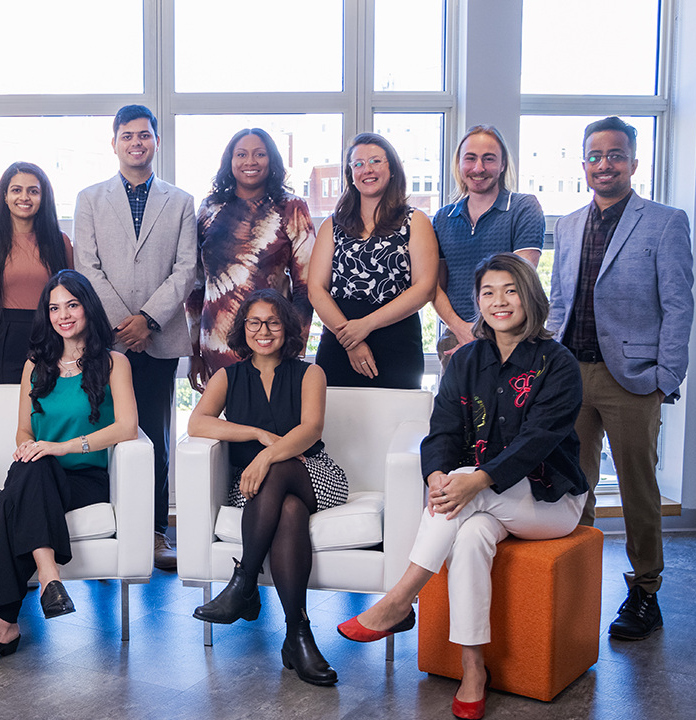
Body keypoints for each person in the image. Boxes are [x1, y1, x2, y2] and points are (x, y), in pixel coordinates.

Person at [338, 253, 588, 720]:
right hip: (484, 505)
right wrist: (436, 474)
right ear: (477, 302)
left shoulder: (559, 363)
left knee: (470, 492)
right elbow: (443, 431)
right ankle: (473, 671)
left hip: (550, 501)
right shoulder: (466, 359)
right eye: (488, 292)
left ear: (530, 296)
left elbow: (535, 444)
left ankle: (398, 599)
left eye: (511, 290)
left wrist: (473, 480)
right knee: (469, 535)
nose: (499, 301)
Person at [549, 116, 693, 641]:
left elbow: (679, 305)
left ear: (634, 162)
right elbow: (560, 303)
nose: (604, 164)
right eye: (595, 155)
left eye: (615, 155)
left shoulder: (665, 221)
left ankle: (645, 592)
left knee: (638, 488)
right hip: (571, 376)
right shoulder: (566, 224)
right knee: (574, 485)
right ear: (583, 163)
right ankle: (579, 584)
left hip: (632, 378)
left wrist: (665, 376)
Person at [0, 270, 138, 666]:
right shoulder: (36, 364)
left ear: (88, 307)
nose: (63, 315)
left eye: (72, 304)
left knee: (9, 501)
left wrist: (60, 447)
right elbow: (22, 429)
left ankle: (2, 624)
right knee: (29, 470)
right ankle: (49, 580)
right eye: (54, 307)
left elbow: (127, 427)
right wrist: (30, 448)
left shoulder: (113, 362)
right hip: (42, 472)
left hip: (86, 478)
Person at [187, 289, 348, 687]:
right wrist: (256, 435)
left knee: (278, 474)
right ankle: (298, 635)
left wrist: (265, 456)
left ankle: (243, 585)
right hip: (254, 489)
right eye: (255, 322)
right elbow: (198, 423)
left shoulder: (310, 373)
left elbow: (311, 430)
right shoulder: (228, 376)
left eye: (273, 322)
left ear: (287, 328)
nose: (264, 330)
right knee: (289, 512)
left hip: (314, 474)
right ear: (243, 328)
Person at [74, 105, 196, 570]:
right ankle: (107, 526)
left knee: (156, 437)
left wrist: (148, 319)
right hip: (106, 340)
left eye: (144, 135)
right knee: (103, 431)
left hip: (159, 339)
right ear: (114, 143)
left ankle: (155, 532)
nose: (136, 143)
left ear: (156, 142)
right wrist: (126, 323)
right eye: (127, 136)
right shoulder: (90, 198)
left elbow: (187, 270)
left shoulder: (180, 201)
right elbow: (88, 267)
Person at [187, 128, 315, 392]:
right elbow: (197, 285)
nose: (250, 162)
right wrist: (194, 352)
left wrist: (296, 347)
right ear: (229, 161)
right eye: (241, 154)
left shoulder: (291, 207)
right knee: (224, 427)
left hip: (271, 344)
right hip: (216, 344)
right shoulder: (210, 208)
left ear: (272, 160)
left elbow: (306, 287)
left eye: (259, 154)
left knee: (271, 423)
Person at [308, 132, 437, 389]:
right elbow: (316, 289)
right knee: (336, 424)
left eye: (376, 161)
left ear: (392, 168)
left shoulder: (416, 221)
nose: (367, 169)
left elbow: (424, 288)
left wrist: (365, 326)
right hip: (340, 340)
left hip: (397, 342)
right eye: (358, 164)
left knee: (396, 424)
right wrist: (351, 339)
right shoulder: (332, 225)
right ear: (350, 175)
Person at [432, 125, 544, 369]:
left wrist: (482, 338)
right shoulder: (442, 218)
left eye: (489, 159)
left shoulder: (523, 208)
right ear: (459, 164)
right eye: (470, 158)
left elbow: (520, 282)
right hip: (456, 339)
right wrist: (462, 331)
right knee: (455, 408)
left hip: (511, 340)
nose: (478, 168)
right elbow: (435, 286)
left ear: (503, 164)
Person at [0, 161, 72, 384]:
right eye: (16, 190)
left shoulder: (60, 243)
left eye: (33, 191)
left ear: (43, 198)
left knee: (50, 417)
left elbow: (74, 304)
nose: (24, 197)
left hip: (51, 341)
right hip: (2, 343)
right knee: (4, 417)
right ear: (4, 196)